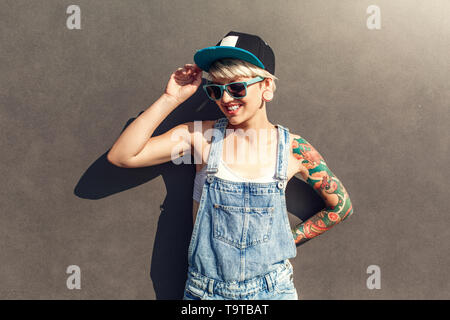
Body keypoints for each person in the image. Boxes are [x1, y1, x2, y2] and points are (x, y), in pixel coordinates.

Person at [107, 31, 354, 300]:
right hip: (205, 293)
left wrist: (284, 241)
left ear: (267, 87)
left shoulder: (293, 149)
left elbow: (340, 206)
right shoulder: (200, 137)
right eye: (216, 89)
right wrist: (171, 98)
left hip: (273, 292)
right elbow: (122, 156)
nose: (225, 99)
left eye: (237, 87)